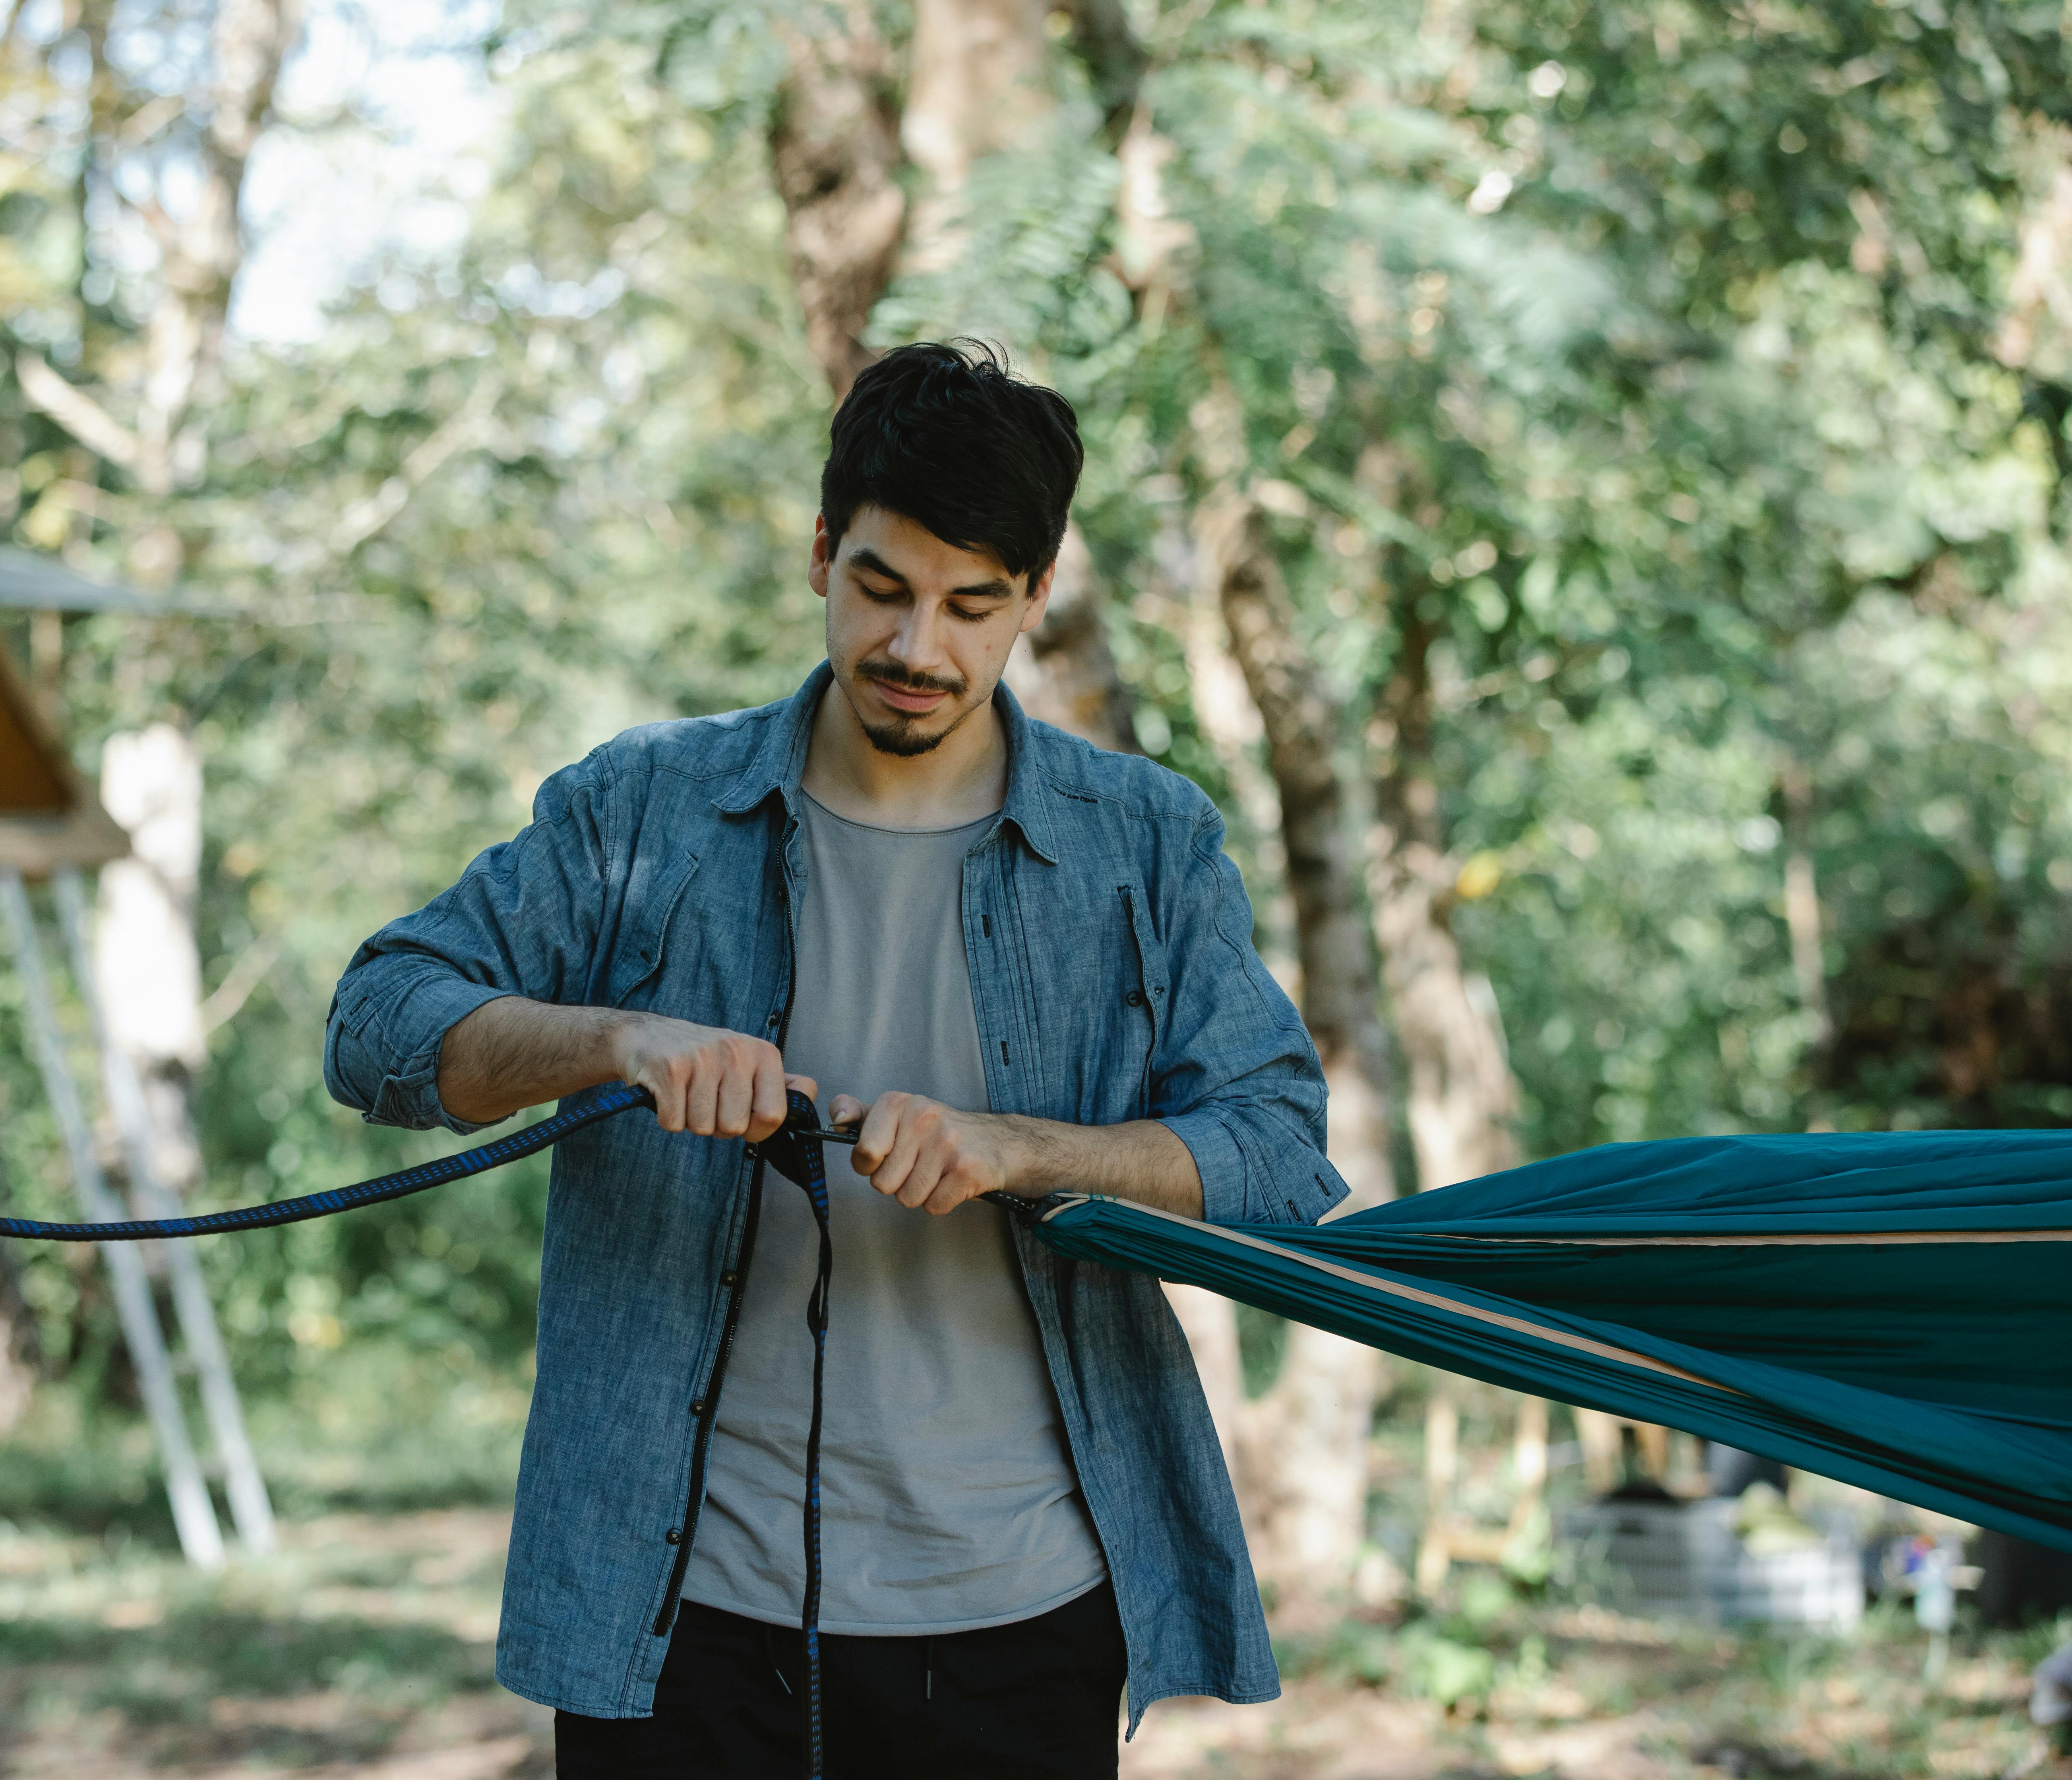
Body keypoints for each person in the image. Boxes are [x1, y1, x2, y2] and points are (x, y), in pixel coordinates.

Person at [325, 341, 1346, 1778]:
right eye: (881, 587)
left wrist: (1023, 1151)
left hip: (1022, 1612)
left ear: (1036, 600)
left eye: (971, 604)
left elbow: (1284, 1163)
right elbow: (375, 1025)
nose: (918, 647)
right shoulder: (642, 808)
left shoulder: (1146, 841)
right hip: (676, 1615)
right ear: (820, 552)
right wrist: (616, 1039)